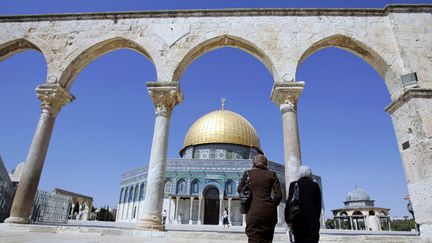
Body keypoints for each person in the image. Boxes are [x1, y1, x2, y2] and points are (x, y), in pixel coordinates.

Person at [237, 154, 282, 243]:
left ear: (253, 163)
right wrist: (272, 205)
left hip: (253, 212)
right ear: (266, 163)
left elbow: (239, 189)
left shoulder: (248, 174)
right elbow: (279, 195)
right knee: (267, 239)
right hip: (269, 214)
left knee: (253, 239)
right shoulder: (272, 174)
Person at [285, 165, 322, 243]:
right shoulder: (315, 186)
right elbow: (318, 206)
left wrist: (288, 220)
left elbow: (289, 204)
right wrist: (315, 219)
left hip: (298, 223)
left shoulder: (294, 185)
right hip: (312, 224)